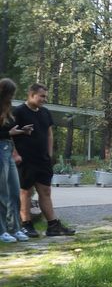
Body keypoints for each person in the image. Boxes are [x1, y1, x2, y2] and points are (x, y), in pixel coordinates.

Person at [13, 83, 75, 237]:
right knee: (26, 192)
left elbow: (49, 134)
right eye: (42, 96)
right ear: (31, 94)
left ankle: (53, 226)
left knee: (45, 191)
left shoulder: (45, 113)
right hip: (25, 160)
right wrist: (15, 154)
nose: (44, 99)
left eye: (45, 96)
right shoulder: (18, 112)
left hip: (42, 160)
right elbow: (9, 134)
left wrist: (49, 154)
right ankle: (26, 224)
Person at [0, 78, 33, 243]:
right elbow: (5, 133)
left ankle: (15, 228)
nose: (12, 96)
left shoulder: (8, 109)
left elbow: (8, 132)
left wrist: (20, 131)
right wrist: (10, 134)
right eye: (11, 93)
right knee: (2, 193)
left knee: (14, 192)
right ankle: (2, 230)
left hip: (7, 150)